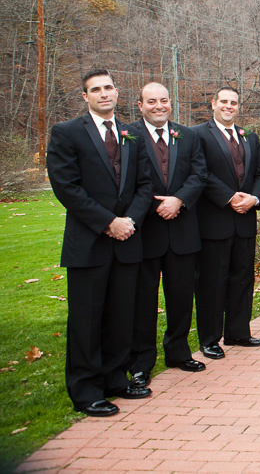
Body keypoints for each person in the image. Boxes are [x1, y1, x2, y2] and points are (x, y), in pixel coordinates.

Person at [47, 69, 154, 416]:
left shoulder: (132, 134)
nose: (104, 94)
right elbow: (67, 187)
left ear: (117, 91)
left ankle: (115, 379)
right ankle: (86, 389)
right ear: (85, 96)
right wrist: (108, 222)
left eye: (108, 87)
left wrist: (129, 222)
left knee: (122, 316)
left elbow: (145, 185)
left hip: (127, 241)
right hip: (89, 242)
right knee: (87, 318)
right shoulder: (66, 133)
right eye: (96, 89)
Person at [129, 83, 207, 384]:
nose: (158, 105)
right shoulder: (129, 136)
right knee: (143, 301)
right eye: (151, 101)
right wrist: (154, 205)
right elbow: (126, 181)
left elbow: (199, 173)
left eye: (163, 100)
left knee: (181, 297)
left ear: (170, 103)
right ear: (140, 105)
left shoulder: (188, 136)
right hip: (146, 230)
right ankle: (141, 362)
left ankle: (178, 351)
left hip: (183, 229)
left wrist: (179, 200)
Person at [194, 87, 260, 359]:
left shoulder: (249, 137)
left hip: (245, 219)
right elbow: (200, 172)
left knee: (242, 278)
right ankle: (210, 338)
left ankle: (238, 332)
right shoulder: (198, 135)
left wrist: (254, 198)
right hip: (215, 219)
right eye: (223, 102)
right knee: (212, 281)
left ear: (239, 107)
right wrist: (228, 197)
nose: (228, 106)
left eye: (233, 103)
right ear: (213, 104)